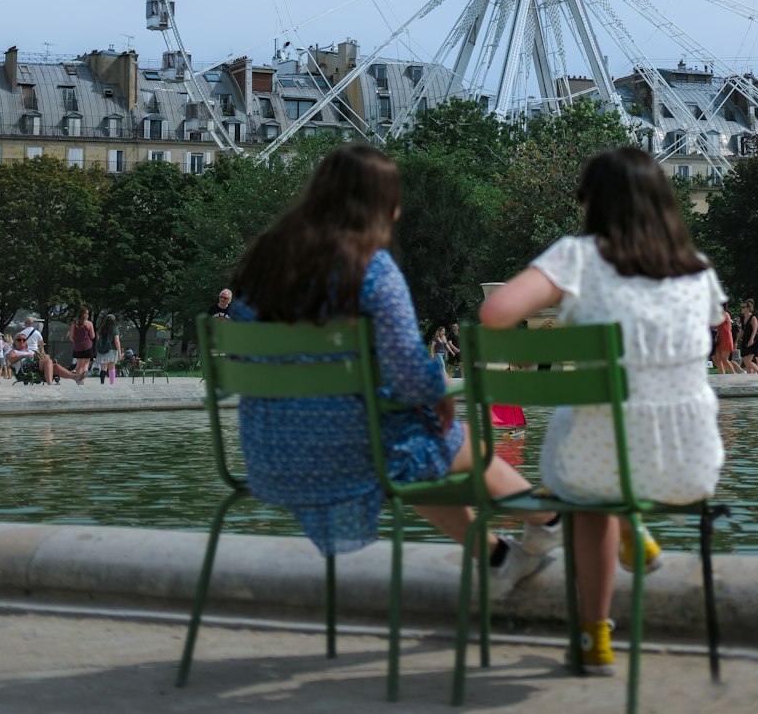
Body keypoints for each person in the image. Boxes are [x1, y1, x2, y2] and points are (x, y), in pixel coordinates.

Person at [230, 144, 558, 587]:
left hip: (270, 453)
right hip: (354, 454)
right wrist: (438, 390)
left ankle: (499, 557)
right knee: (463, 448)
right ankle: (548, 517)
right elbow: (408, 364)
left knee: (422, 453)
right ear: (383, 205)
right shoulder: (371, 267)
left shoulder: (262, 263)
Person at [479, 146, 726, 676]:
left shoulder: (580, 256)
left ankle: (594, 636)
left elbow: (495, 312)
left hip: (595, 462)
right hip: (689, 463)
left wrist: (568, 301)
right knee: (617, 437)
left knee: (591, 477)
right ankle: (632, 526)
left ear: (593, 204)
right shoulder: (697, 268)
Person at [713, 301, 743, 375]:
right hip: (721, 339)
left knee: (724, 359)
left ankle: (733, 374)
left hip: (726, 339)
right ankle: (722, 374)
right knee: (717, 359)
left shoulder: (725, 314)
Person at [69, 307, 96, 379]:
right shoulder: (89, 323)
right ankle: (83, 380)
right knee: (85, 365)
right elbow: (93, 336)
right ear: (84, 314)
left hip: (77, 347)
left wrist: (76, 341)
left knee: (79, 364)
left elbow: (71, 337)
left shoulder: (74, 323)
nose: (88, 315)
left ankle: (78, 379)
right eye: (87, 314)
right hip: (87, 346)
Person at [95, 314, 122, 385]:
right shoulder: (115, 329)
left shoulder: (102, 329)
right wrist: (119, 352)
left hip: (103, 350)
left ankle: (102, 383)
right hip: (112, 350)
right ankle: (111, 383)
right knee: (112, 367)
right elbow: (116, 341)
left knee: (103, 368)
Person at [738, 300, 758, 374]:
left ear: (748, 308)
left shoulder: (753, 317)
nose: (741, 309)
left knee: (747, 360)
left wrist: (751, 339)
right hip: (745, 339)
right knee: (746, 362)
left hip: (753, 340)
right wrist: (736, 340)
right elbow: (741, 330)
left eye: (743, 307)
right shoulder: (742, 318)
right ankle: (750, 376)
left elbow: (755, 329)